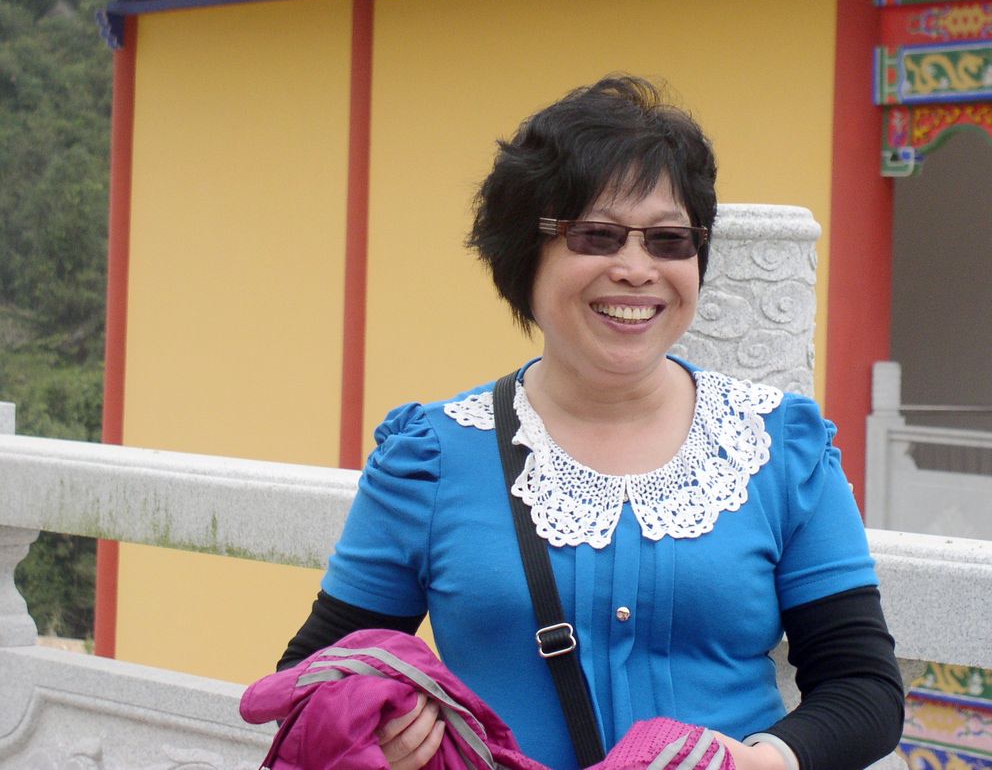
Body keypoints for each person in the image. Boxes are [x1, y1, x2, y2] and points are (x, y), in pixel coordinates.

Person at [278, 75, 904, 770]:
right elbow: (312, 675)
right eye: (596, 236)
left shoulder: (780, 447)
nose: (636, 269)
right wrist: (383, 723)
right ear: (525, 255)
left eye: (669, 240)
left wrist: (764, 761)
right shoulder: (430, 457)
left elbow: (864, 687)